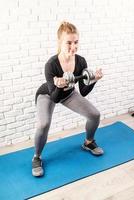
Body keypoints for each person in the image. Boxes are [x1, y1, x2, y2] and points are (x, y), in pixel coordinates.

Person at [32, 21, 104, 177]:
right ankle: (37, 157)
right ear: (60, 42)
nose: (73, 46)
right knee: (43, 124)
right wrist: (58, 85)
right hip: (48, 94)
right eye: (69, 43)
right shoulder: (51, 65)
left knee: (95, 115)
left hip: (68, 93)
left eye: (76, 42)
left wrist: (94, 80)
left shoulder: (81, 61)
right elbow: (55, 98)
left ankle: (89, 142)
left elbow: (83, 91)